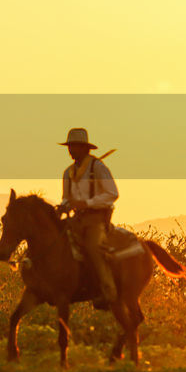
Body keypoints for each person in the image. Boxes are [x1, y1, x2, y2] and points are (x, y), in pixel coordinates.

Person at [56, 128, 119, 309]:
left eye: (74, 146)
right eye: (69, 146)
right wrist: (63, 206)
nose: (71, 150)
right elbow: (66, 198)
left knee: (92, 248)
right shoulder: (68, 172)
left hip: (96, 218)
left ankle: (107, 291)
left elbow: (112, 194)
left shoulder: (97, 168)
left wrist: (87, 203)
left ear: (85, 148)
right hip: (77, 218)